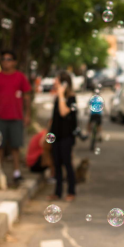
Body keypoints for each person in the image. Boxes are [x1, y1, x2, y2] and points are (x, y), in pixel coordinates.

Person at [0, 50, 31, 183]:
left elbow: (27, 96)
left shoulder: (20, 77)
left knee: (15, 146)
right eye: (4, 59)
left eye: (9, 59)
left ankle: (16, 173)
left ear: (15, 62)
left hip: (16, 116)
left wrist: (27, 114)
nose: (6, 61)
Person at [48, 71, 77, 201]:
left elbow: (63, 112)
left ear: (64, 84)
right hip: (56, 135)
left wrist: (60, 95)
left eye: (57, 81)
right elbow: (54, 118)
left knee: (67, 164)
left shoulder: (71, 98)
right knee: (57, 164)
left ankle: (71, 191)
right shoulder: (57, 97)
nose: (55, 83)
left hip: (67, 137)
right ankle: (58, 192)